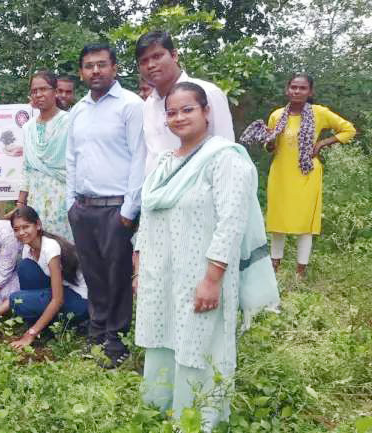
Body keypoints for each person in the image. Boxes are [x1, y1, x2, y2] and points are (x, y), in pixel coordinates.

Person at [134, 82, 279, 431]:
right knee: (163, 335)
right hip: (163, 273)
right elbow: (149, 216)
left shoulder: (225, 158)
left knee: (200, 343)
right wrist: (140, 264)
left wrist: (212, 280)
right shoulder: (165, 162)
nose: (179, 117)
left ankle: (199, 418)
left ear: (206, 112)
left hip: (202, 274)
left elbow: (231, 223)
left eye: (188, 109)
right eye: (172, 111)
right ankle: (160, 409)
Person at [66, 43, 146, 368]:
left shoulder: (131, 105)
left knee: (117, 276)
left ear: (114, 67)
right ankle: (96, 335)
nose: (95, 71)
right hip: (83, 208)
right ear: (82, 71)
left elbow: (140, 157)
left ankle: (116, 342)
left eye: (101, 64)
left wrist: (129, 210)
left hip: (117, 209)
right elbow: (71, 158)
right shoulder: (78, 111)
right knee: (93, 275)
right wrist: (71, 203)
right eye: (88, 65)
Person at [257, 74, 355, 276]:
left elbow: (348, 130)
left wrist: (321, 143)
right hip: (281, 173)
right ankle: (274, 268)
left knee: (305, 224)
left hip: (306, 174)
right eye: (293, 87)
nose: (297, 91)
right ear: (287, 90)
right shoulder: (277, 115)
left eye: (302, 88)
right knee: (278, 221)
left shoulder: (319, 113)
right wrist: (269, 142)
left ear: (310, 92)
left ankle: (300, 272)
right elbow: (270, 148)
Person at [136, 30, 234, 174]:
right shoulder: (148, 105)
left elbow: (227, 149)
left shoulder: (208, 92)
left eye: (157, 56)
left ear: (174, 55)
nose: (150, 65)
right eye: (143, 61)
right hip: (158, 192)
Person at [8, 207, 88, 349]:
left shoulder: (50, 248)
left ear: (38, 225)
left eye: (26, 227)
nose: (21, 233)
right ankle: (46, 326)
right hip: (62, 293)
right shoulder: (28, 248)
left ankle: (43, 327)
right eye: (16, 229)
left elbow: (58, 300)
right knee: (25, 267)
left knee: (17, 300)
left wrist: (30, 334)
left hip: (80, 301)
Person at [17, 70, 73, 241]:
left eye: (43, 89)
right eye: (34, 91)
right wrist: (21, 203)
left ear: (55, 91)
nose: (38, 94)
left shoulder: (69, 121)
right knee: (38, 249)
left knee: (65, 251)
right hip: (36, 200)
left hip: (63, 198)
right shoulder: (28, 127)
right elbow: (26, 167)